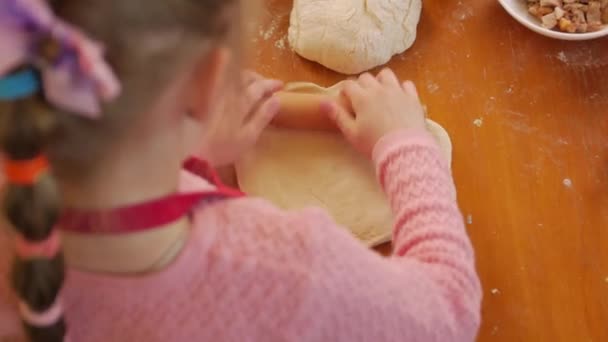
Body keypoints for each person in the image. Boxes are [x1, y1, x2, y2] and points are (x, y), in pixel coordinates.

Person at [0, 0, 481, 341]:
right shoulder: (287, 272)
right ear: (208, 83)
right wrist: (405, 145)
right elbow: (448, 312)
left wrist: (189, 150)